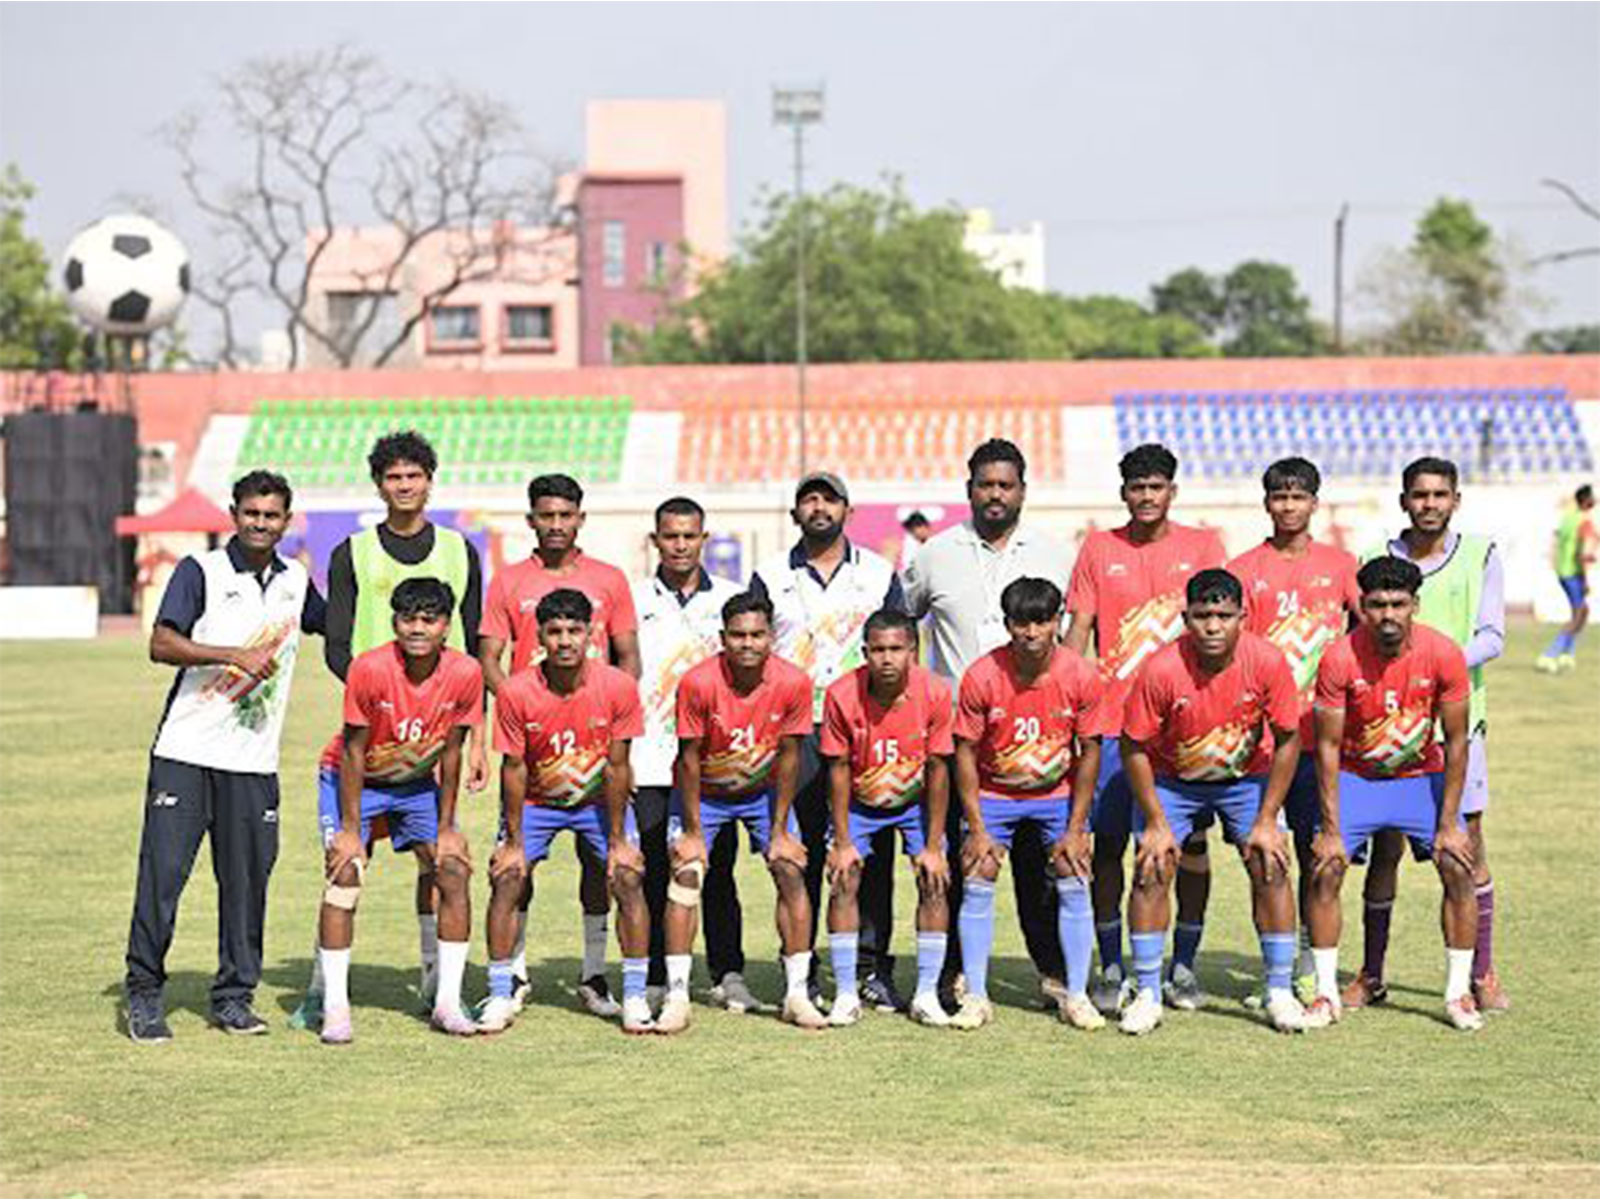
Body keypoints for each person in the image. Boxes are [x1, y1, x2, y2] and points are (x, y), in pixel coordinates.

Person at [293, 429, 486, 1031]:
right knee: (346, 865)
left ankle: (439, 986)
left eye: (414, 475)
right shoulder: (353, 551)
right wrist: (381, 696)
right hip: (371, 719)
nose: (405, 486)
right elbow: (336, 641)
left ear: (430, 481)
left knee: (443, 865)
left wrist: (469, 734)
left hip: (433, 735)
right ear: (379, 485)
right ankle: (326, 997)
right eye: (393, 477)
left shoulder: (459, 550)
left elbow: (475, 644)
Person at [123, 470, 326, 1043]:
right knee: (162, 879)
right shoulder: (202, 571)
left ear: (287, 520)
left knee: (246, 885)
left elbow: (334, 630)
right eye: (251, 513)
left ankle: (234, 999)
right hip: (185, 753)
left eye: (272, 515)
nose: (261, 524)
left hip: (253, 763)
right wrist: (232, 655)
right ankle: (143, 996)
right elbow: (161, 643)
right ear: (234, 514)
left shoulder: (297, 580)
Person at [902, 439, 1075, 1012]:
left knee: (1039, 867)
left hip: (1034, 742)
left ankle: (1053, 970)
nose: (995, 494)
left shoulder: (1052, 554)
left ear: (1022, 490)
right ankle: (951, 972)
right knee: (958, 858)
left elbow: (1070, 642)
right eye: (985, 484)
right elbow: (902, 624)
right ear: (968, 488)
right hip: (958, 742)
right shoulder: (934, 555)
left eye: (1005, 485)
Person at [1063, 443, 1226, 1014]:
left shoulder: (1204, 546)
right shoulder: (1099, 547)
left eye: (1157, 486)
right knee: (1108, 847)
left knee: (1189, 847)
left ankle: (1181, 965)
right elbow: (1078, 632)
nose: (1147, 496)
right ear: (1124, 492)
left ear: (1172, 491)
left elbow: (1221, 628)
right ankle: (1111, 967)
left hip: (1185, 731)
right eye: (1137, 486)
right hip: (1111, 725)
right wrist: (1065, 703)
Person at [1117, 568, 1310, 1036]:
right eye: (1202, 615)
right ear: (1185, 617)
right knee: (1152, 865)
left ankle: (1279, 990)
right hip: (1172, 780)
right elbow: (1132, 746)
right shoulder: (1161, 668)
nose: (1212, 626)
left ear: (1243, 617)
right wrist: (1158, 823)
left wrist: (1267, 818)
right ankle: (1147, 991)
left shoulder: (1267, 661)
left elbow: (1288, 739)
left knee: (1271, 862)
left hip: (1246, 780)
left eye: (1223, 615)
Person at [1346, 457, 1507, 1012]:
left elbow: (1492, 634)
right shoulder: (1374, 559)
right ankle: (1371, 974)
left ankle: (1481, 974)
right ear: (1404, 501)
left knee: (1465, 848)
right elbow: (1355, 637)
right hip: (1383, 730)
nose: (1430, 504)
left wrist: (1434, 668)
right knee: (1384, 849)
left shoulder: (1481, 552)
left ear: (1455, 500)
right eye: (1420, 495)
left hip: (1458, 725)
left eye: (1440, 495)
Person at [479, 473, 641, 1019]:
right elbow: (487, 657)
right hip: (532, 754)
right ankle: (513, 978)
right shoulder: (507, 582)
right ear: (531, 520)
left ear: (580, 518)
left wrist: (600, 721)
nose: (555, 525)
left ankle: (595, 976)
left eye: (564, 515)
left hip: (596, 754)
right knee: (513, 871)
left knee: (607, 871)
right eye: (545, 516)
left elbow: (627, 658)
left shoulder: (610, 580)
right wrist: (527, 712)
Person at [1304, 556, 1482, 1032]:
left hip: (1418, 777)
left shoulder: (1444, 654)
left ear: (1414, 605)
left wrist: (1449, 824)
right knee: (1325, 867)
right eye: (1377, 604)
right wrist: (1331, 828)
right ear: (1362, 605)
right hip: (1357, 778)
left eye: (1398, 604)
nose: (1387, 615)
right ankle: (1324, 994)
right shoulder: (1339, 657)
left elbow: (1458, 740)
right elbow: (1326, 745)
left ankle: (1458, 993)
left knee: (1458, 866)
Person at [749, 472, 905, 1010]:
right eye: (808, 499)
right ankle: (802, 965)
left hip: (867, 729)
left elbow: (899, 649)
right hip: (795, 734)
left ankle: (872, 968)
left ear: (848, 509)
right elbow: (755, 652)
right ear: (795, 512)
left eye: (829, 499)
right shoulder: (769, 576)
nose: (819, 507)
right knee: (801, 852)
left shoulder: (880, 574)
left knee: (870, 853)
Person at [314, 578, 483, 1044]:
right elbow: (352, 752)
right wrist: (350, 830)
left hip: (414, 785)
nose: (418, 628)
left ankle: (446, 1000)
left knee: (452, 869)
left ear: (447, 626)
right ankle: (335, 1007)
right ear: (394, 623)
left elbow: (452, 753)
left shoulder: (466, 673)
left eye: (429, 619)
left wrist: (448, 827)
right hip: (353, 780)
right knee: (345, 874)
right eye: (408, 619)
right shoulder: (368, 669)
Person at [946, 578, 1111, 1032]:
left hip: (1055, 796)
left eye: (1042, 621)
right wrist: (977, 827)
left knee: (1074, 875)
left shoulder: (1080, 674)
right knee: (978, 874)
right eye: (1022, 623)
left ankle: (1076, 995)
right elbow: (963, 751)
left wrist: (1077, 828)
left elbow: (1090, 750)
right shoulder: (982, 675)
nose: (1032, 633)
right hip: (994, 795)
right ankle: (976, 996)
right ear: (1008, 625)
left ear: (1057, 621)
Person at [656, 592, 824, 1033]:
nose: (747, 644)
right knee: (687, 874)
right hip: (704, 792)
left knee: (790, 868)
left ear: (771, 637)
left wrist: (781, 829)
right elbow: (689, 759)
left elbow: (790, 756)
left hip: (763, 791)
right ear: (722, 638)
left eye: (757, 635)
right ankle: (676, 997)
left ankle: (796, 993)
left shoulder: (792, 682)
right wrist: (692, 831)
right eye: (738, 635)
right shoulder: (697, 682)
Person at [1226, 457, 1359, 1002]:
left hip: (1327, 741)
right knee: (1267, 859)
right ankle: (1275, 968)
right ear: (1266, 504)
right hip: (1263, 745)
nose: (1288, 506)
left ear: (1314, 503)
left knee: (1319, 857)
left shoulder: (1343, 565)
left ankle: (1312, 963)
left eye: (1298, 497)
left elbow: (1366, 636)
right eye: (1279, 497)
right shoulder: (1243, 569)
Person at [628, 497, 747, 1010]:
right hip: (649, 757)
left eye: (689, 535)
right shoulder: (630, 600)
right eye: (670, 536)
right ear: (655, 540)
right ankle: (657, 974)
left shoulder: (733, 600)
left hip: (715, 764)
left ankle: (728, 972)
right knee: (655, 868)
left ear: (704, 538)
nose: (680, 545)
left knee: (719, 869)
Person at [822, 609, 954, 1029]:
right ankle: (845, 993)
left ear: (913, 652)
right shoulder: (842, 694)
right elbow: (838, 771)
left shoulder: (934, 691)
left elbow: (938, 769)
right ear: (864, 652)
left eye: (896, 649)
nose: (887, 658)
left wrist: (933, 847)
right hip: (860, 802)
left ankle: (928, 994)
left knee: (934, 880)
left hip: (915, 802)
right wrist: (842, 843)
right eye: (878, 649)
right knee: (843, 878)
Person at [1536, 483, 1595, 673]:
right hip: (1573, 572)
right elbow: (1583, 553)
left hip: (1563, 570)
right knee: (1578, 616)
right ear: (1586, 500)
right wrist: (1585, 580)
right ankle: (1549, 654)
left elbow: (1559, 540)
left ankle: (1566, 654)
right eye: (1593, 496)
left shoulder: (1568, 518)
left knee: (1581, 612)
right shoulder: (1585, 522)